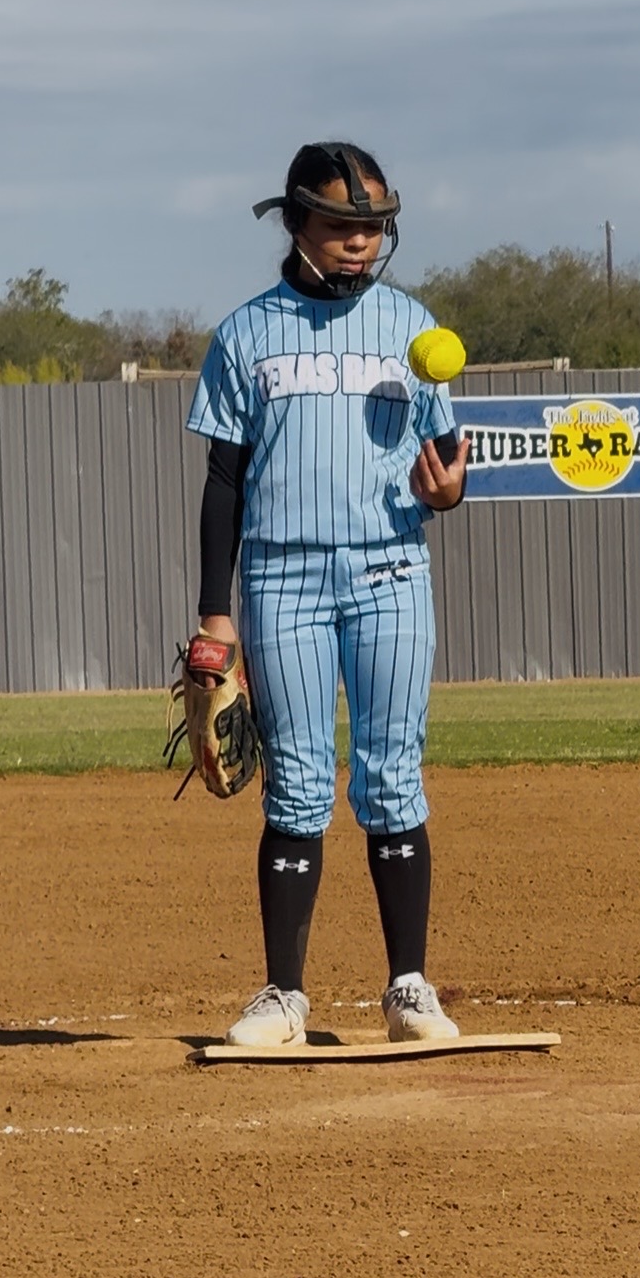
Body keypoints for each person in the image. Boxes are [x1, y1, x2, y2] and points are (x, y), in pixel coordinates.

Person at [185, 141, 470, 1048]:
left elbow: (447, 466)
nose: (361, 240)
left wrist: (448, 492)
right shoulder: (247, 335)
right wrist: (216, 613)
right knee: (299, 782)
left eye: (373, 226)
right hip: (282, 578)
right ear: (298, 222)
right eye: (343, 224)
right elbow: (223, 481)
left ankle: (409, 990)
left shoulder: (411, 327)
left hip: (391, 568)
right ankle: (283, 997)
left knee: (391, 774)